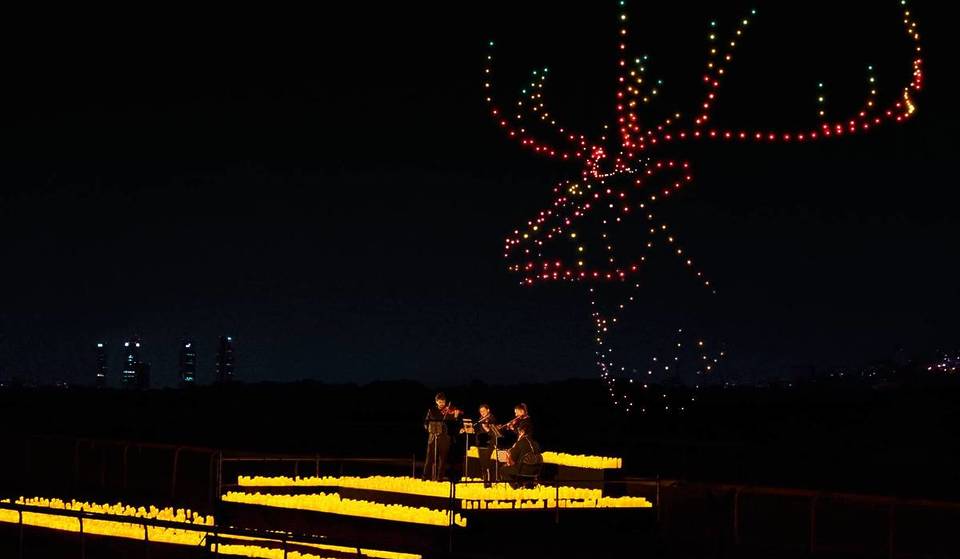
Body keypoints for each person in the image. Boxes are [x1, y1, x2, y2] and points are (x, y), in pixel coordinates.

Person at [422, 392, 461, 480]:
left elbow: (453, 424)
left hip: (445, 437)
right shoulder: (431, 410)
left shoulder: (449, 411)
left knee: (442, 459)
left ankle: (440, 478)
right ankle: (425, 477)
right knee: (429, 458)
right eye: (440, 402)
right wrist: (429, 428)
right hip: (433, 436)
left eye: (443, 402)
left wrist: (455, 416)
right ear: (436, 402)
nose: (442, 404)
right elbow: (426, 423)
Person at [475, 404, 500, 482]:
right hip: (481, 442)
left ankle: (489, 480)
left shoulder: (491, 418)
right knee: (482, 462)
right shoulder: (481, 419)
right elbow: (479, 431)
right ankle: (485, 480)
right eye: (481, 411)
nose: (482, 413)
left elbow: (492, 432)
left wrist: (486, 427)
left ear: (488, 410)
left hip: (489, 443)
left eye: (484, 411)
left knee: (486, 462)